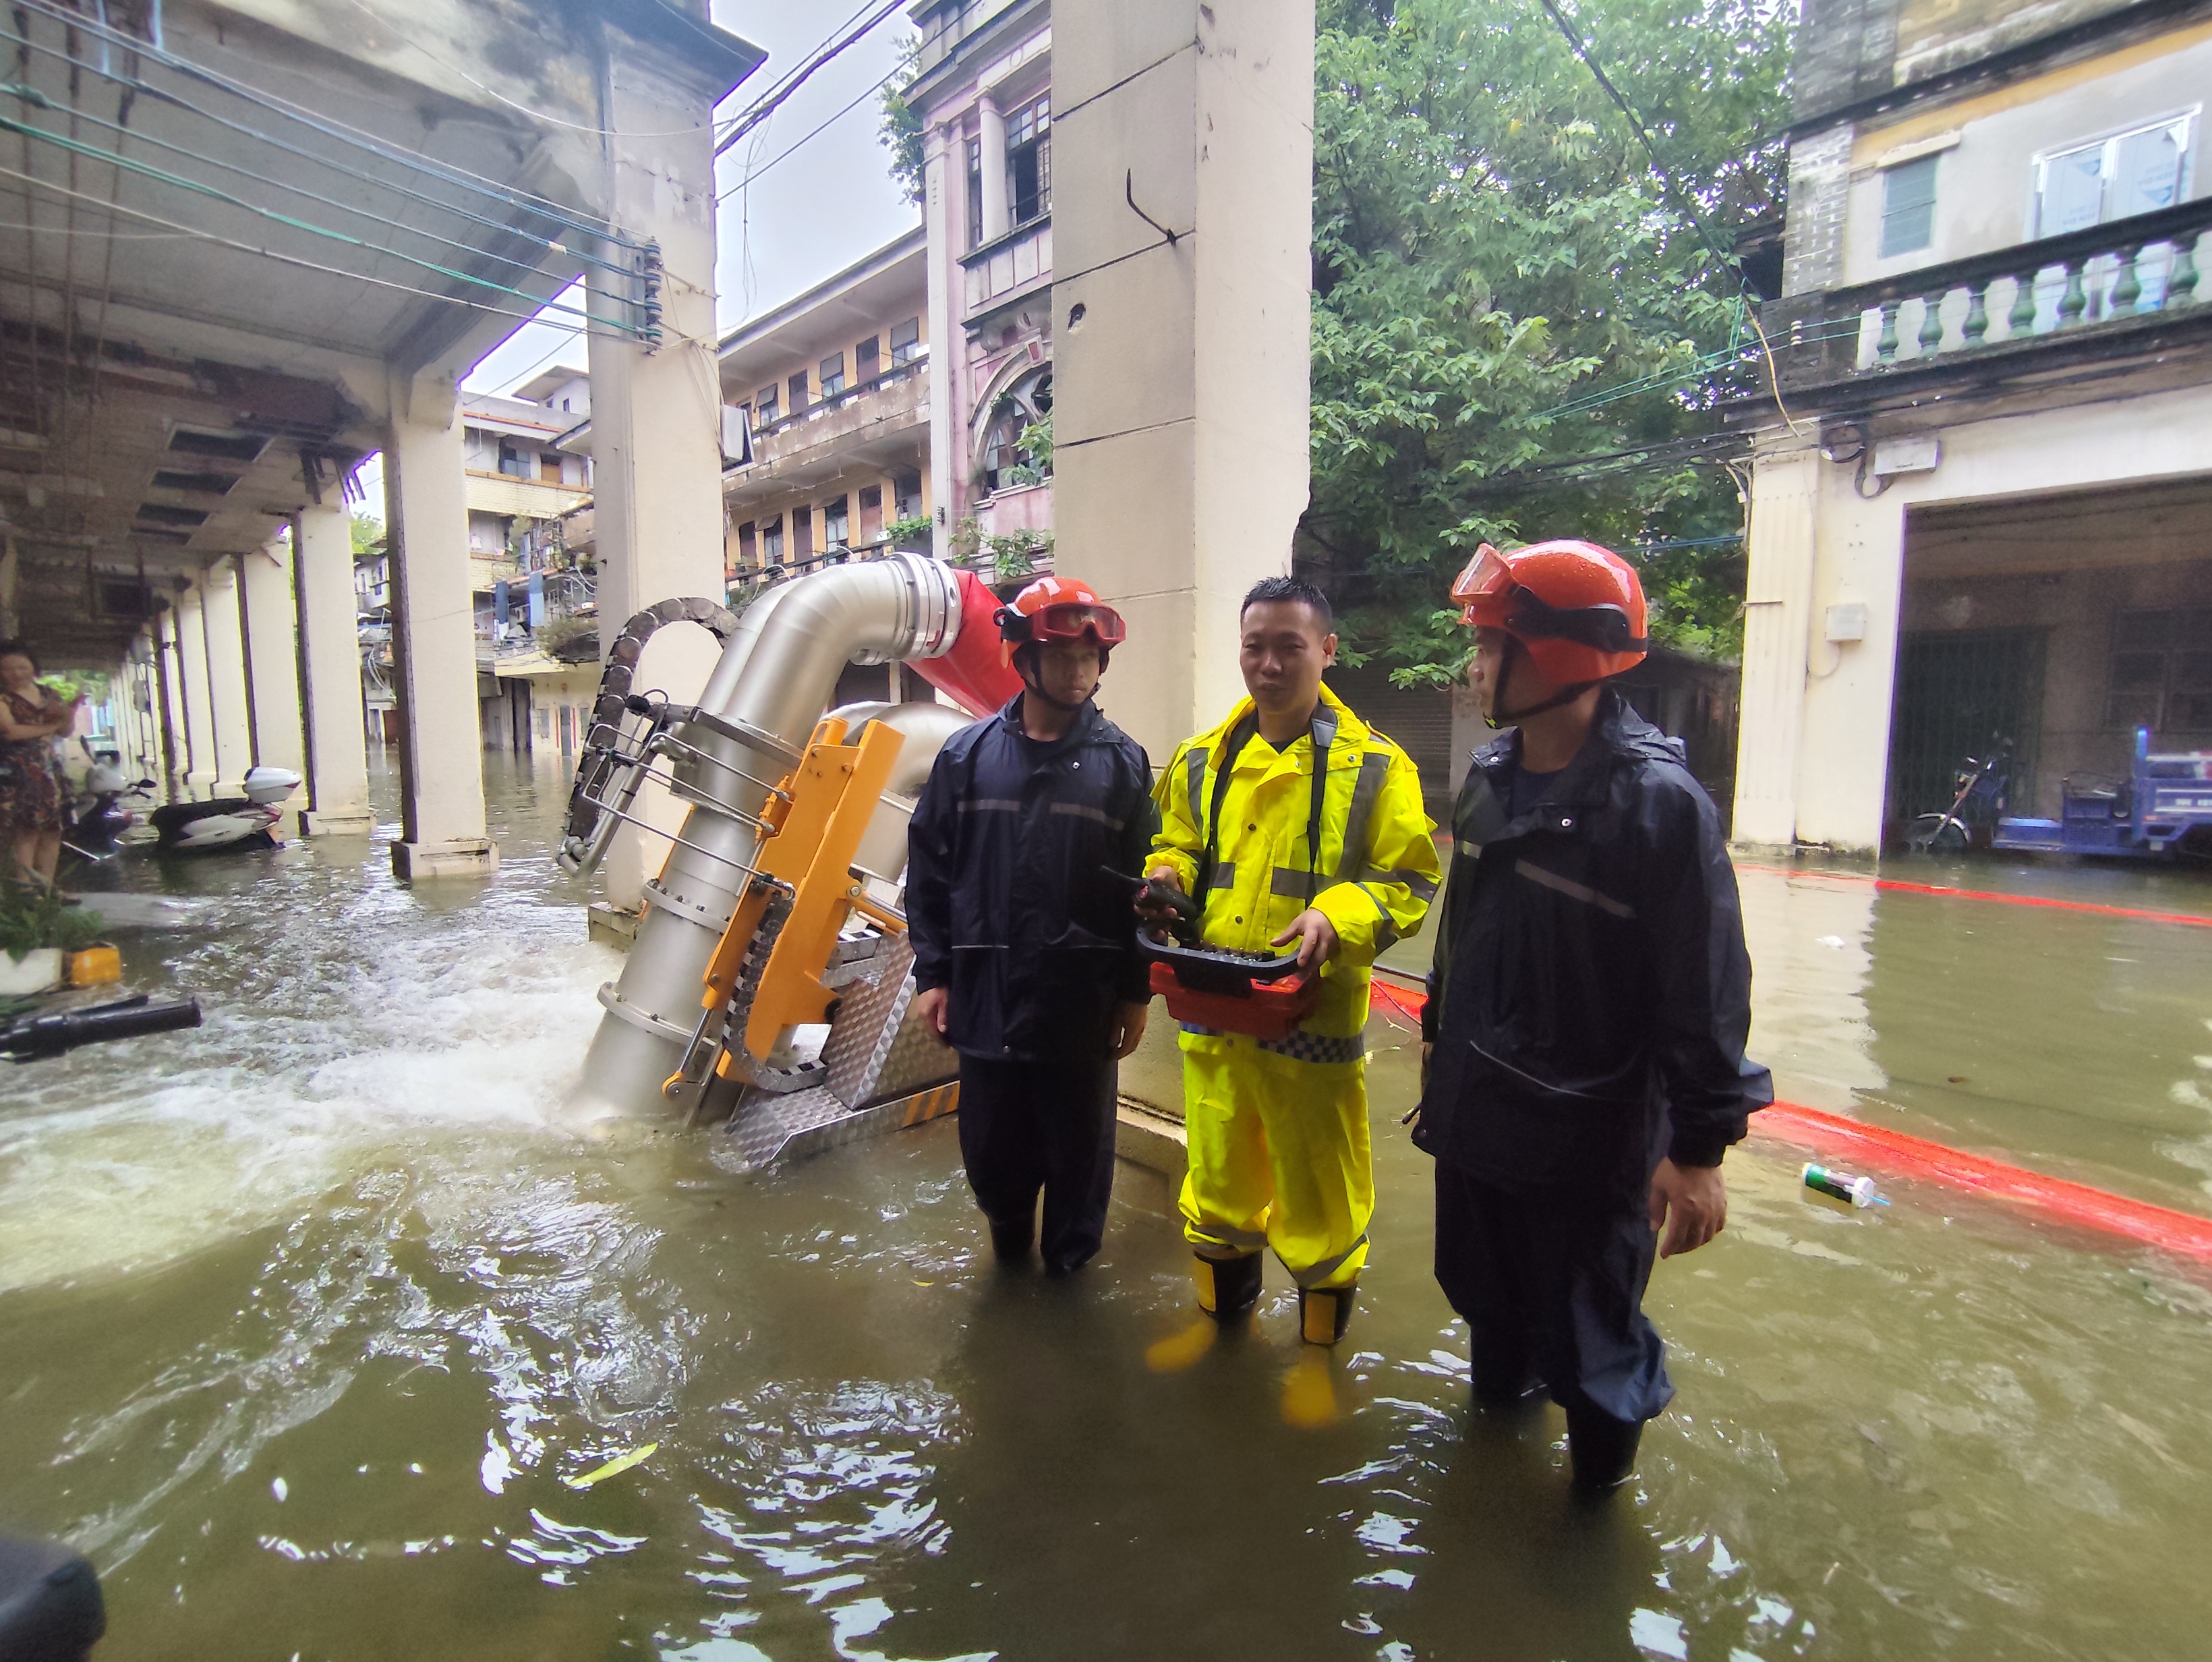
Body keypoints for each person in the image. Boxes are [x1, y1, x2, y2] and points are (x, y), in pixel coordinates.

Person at [1412, 541, 1772, 1494]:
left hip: (1590, 1140)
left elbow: (1705, 988)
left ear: (1557, 653)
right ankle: (1489, 1487)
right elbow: (1464, 931)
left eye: (1491, 645)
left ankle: (1590, 1531)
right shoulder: (1492, 776)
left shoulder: (1658, 808)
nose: (1474, 666)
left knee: (1594, 1350)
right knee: (1488, 1302)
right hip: (1481, 1111)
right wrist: (1438, 1033)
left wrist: (1697, 1151)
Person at [1140, 576, 1440, 1346]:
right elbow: (1178, 843)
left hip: (1313, 1022)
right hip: (1214, 1011)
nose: (1268, 665)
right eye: (1255, 647)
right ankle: (1219, 1327)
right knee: (1216, 1182)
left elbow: (1409, 880)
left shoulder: (1377, 767)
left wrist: (1336, 915)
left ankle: (1315, 1360)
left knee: (1321, 1194)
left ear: (1327, 650)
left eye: (1289, 647)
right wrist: (1166, 874)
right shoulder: (1201, 759)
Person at [906, 577, 1156, 1276]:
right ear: (1023, 658)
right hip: (986, 1001)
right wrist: (933, 976)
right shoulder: (965, 758)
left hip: (1081, 1009)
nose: (1079, 671)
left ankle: (1069, 1291)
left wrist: (1136, 992)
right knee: (994, 1163)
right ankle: (1008, 1266)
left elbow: (1144, 894)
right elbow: (930, 873)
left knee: (1080, 1169)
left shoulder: (1123, 764)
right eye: (1063, 656)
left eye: (1089, 658)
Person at [0, 643, 80, 887]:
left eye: (22, 667)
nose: (16, 673)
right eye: (8, 668)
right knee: (27, 829)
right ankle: (24, 887)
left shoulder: (49, 695)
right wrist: (49, 728)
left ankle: (47, 887)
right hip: (17, 770)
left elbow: (64, 731)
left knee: (52, 829)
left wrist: (69, 715)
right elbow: (11, 732)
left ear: (33, 667)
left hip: (48, 768)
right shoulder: (3, 698)